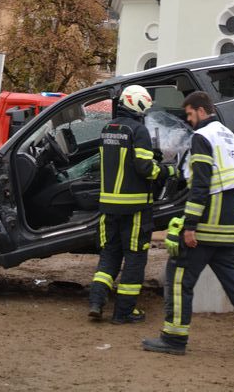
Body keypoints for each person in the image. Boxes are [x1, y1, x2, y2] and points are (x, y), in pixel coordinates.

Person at [142, 90, 234, 357]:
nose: (189, 121)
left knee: (178, 276)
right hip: (228, 222)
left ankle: (174, 339)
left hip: (207, 221)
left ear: (201, 110)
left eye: (189, 115)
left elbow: (201, 183)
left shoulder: (202, 137)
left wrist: (190, 226)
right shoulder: (228, 135)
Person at [88, 83, 173, 324]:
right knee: (135, 257)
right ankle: (124, 312)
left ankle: (96, 301)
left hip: (108, 206)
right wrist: (167, 171)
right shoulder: (139, 131)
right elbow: (145, 168)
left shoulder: (107, 129)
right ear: (137, 104)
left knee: (110, 255)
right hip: (135, 207)